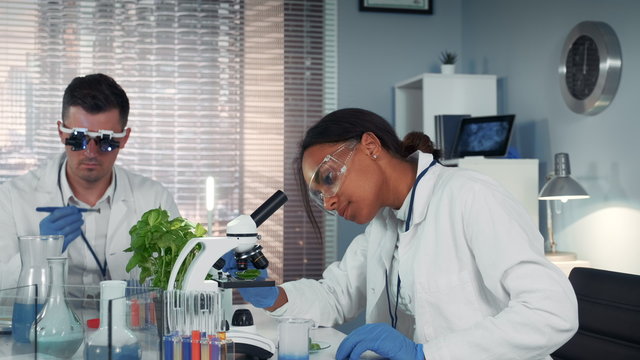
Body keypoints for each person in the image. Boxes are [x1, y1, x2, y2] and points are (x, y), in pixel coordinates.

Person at [228, 108, 578, 359]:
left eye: (329, 178)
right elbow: (337, 296)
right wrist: (270, 295)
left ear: (370, 145)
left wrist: (426, 354)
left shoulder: (470, 195)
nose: (330, 202)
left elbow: (551, 312)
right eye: (319, 196)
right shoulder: (385, 223)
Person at [0, 73, 180, 292]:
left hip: (130, 325)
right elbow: (2, 294)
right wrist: (39, 252)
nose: (91, 152)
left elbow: (176, 282)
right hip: (48, 324)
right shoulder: (11, 197)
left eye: (105, 141)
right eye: (78, 138)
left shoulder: (154, 199)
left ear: (124, 138)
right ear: (61, 132)